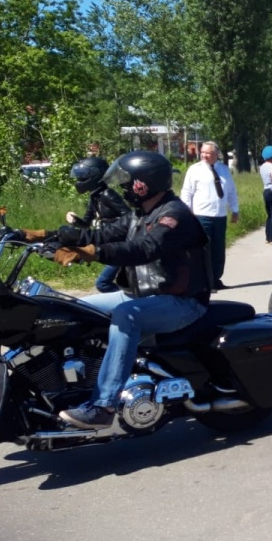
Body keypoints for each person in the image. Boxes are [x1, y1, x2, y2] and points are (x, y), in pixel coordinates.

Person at [46, 151, 212, 429]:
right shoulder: (140, 213)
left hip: (181, 302)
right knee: (74, 308)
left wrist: (93, 253)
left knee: (127, 315)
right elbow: (101, 234)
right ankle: (72, 385)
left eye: (127, 182)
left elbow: (145, 249)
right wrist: (45, 236)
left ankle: (104, 406)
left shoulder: (174, 215)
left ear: (144, 183)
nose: (123, 188)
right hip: (142, 294)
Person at [66, 156, 133, 293]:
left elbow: (129, 216)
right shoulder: (94, 196)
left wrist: (113, 227)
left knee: (102, 283)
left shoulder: (107, 194)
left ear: (95, 176)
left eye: (83, 177)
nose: (79, 181)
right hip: (110, 243)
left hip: (121, 244)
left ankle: (131, 301)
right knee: (110, 283)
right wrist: (75, 220)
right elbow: (86, 223)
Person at [180, 141, 239, 291]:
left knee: (218, 250)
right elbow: (187, 192)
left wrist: (235, 209)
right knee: (204, 250)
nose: (205, 155)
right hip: (201, 216)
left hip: (220, 215)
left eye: (208, 153)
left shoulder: (224, 170)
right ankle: (205, 282)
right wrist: (187, 212)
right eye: (203, 152)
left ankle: (216, 279)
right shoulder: (195, 170)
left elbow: (231, 192)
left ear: (216, 154)